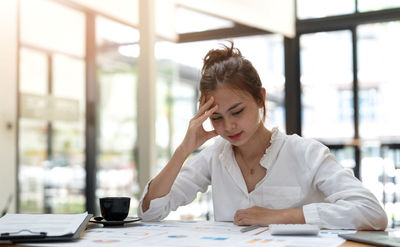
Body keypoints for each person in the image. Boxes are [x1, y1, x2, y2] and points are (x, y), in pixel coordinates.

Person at [138, 42, 387, 230]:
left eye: (237, 111)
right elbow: (150, 212)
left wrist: (282, 216)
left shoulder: (305, 152)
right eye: (217, 117)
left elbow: (372, 212)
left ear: (261, 98)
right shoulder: (214, 156)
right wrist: (183, 150)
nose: (229, 125)